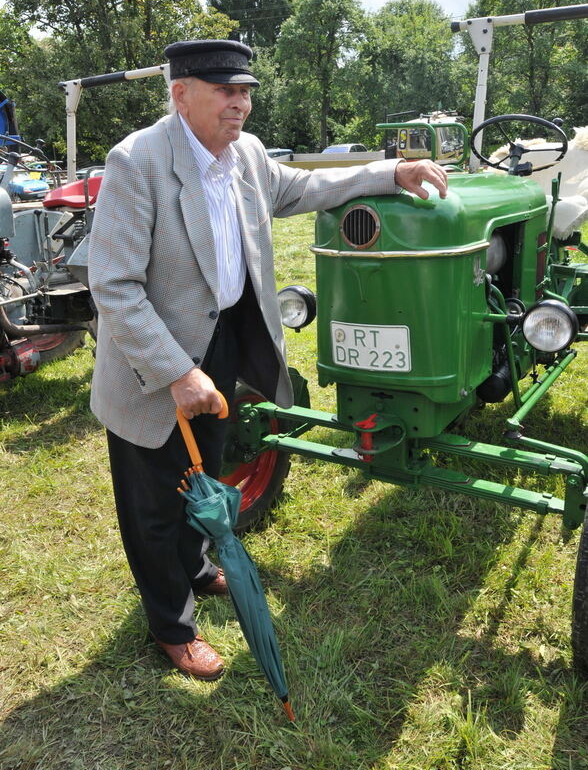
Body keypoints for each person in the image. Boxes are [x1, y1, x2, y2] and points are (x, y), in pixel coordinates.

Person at [88, 39, 448, 682]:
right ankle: (172, 626)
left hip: (224, 340)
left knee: (212, 466)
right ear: (181, 94)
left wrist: (390, 172)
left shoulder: (247, 155)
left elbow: (306, 187)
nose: (241, 104)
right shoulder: (137, 161)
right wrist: (176, 370)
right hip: (153, 362)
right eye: (226, 91)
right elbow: (114, 286)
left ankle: (197, 567)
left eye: (246, 91)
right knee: (154, 500)